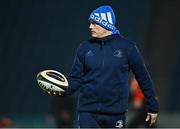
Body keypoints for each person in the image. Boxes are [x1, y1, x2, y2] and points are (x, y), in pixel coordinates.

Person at [48, 5, 159, 128]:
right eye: (90, 23)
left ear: (106, 24)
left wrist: (152, 106)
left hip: (116, 113)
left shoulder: (128, 48)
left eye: (94, 23)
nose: (90, 27)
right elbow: (76, 79)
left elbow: (143, 77)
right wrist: (61, 91)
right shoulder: (84, 48)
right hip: (87, 112)